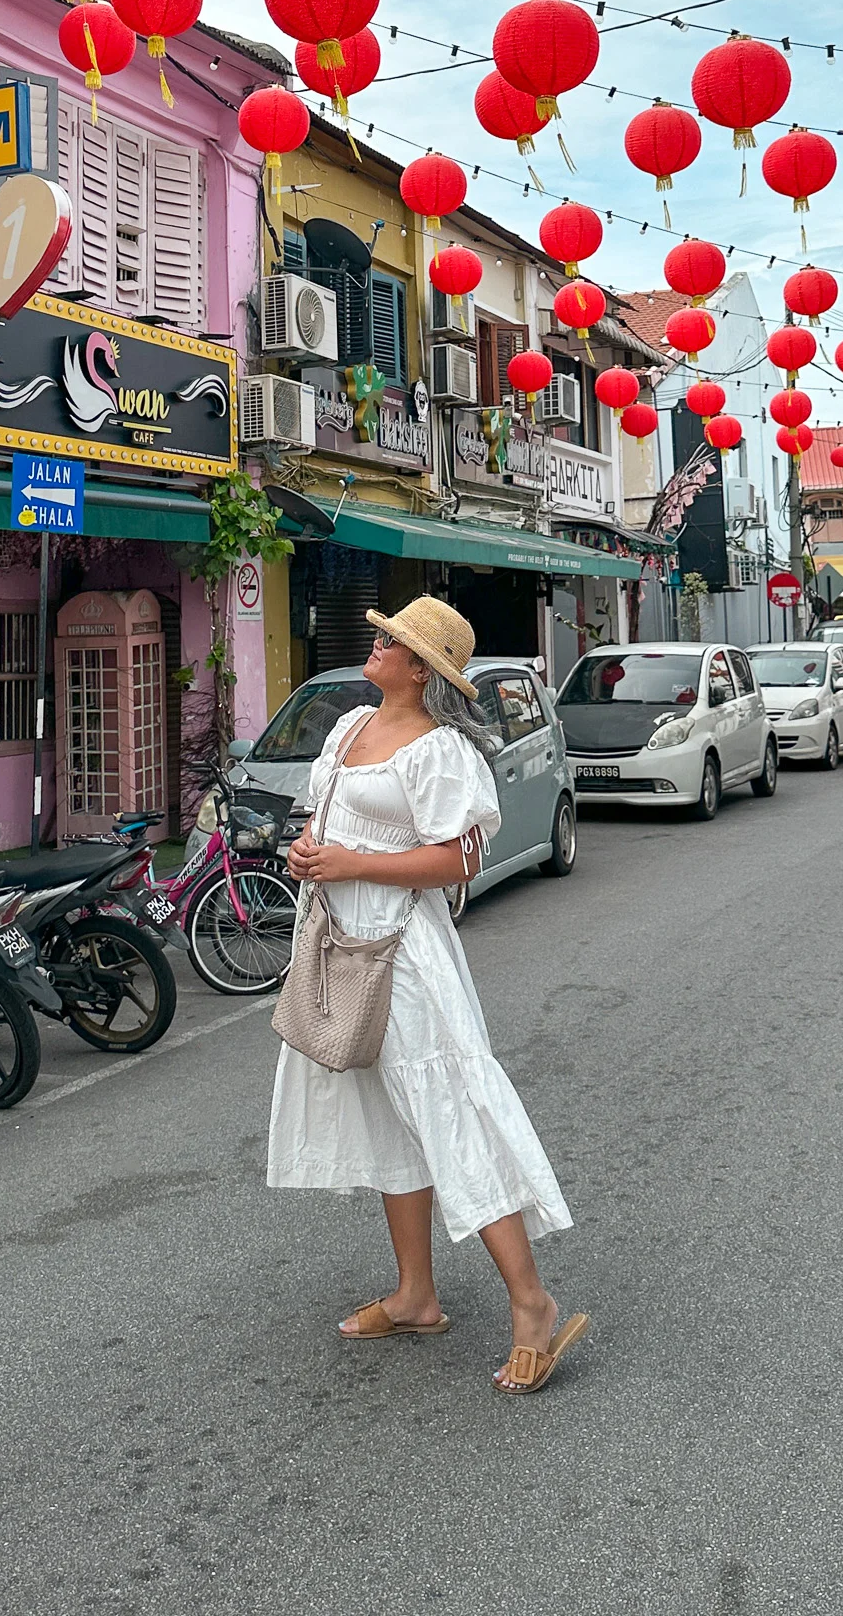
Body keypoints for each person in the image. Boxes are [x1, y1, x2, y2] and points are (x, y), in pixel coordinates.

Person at [267, 595, 585, 1396]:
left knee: (451, 1113)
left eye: (389, 641)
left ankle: (533, 1304)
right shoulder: (348, 729)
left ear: (421, 668)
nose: (373, 644)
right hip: (341, 939)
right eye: (379, 634)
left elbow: (457, 862)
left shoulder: (441, 751)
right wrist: (313, 853)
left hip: (404, 952)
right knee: (386, 1113)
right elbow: (329, 821)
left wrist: (351, 864)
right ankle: (415, 1295)